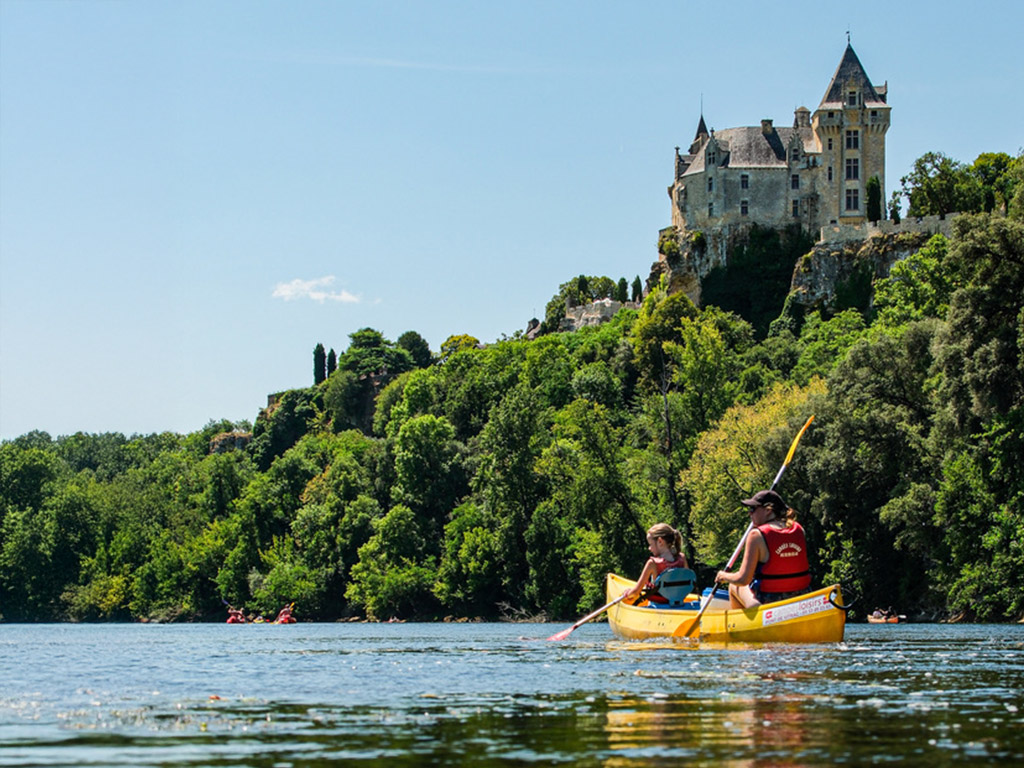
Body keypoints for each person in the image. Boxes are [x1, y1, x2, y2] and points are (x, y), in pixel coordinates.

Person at [716, 489, 811, 609]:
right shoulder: (799, 529)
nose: (750, 514)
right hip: (802, 596)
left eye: (753, 509)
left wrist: (723, 576)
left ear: (768, 510)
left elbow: (743, 579)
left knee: (734, 586)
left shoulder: (756, 535)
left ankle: (744, 626)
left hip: (769, 602)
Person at [622, 523, 689, 603]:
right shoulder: (682, 558)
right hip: (678, 604)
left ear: (660, 541)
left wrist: (627, 593)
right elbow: (687, 584)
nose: (649, 548)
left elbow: (635, 592)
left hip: (658, 607)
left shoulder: (652, 564)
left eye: (650, 544)